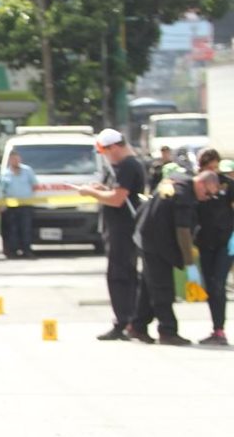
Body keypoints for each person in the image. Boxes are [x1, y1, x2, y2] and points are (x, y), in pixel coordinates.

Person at [128, 170, 222, 345]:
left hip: (147, 235)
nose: (207, 198)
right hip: (156, 243)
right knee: (163, 288)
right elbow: (182, 231)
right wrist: (189, 263)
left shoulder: (177, 179)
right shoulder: (184, 196)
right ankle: (167, 331)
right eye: (208, 193)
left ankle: (137, 326)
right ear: (201, 183)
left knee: (149, 286)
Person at [80, 128, 146, 341]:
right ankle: (128, 320)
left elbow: (118, 198)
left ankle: (125, 321)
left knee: (120, 276)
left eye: (106, 151)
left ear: (115, 147)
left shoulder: (127, 165)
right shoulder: (119, 167)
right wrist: (101, 189)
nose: (106, 156)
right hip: (117, 229)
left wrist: (92, 193)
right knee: (122, 275)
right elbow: (115, 192)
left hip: (123, 230)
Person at [195, 158, 234, 345]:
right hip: (205, 243)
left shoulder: (228, 185)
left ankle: (220, 330)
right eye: (208, 167)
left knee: (218, 283)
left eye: (215, 167)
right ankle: (216, 329)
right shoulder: (198, 186)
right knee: (210, 286)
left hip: (226, 244)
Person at [0, 151, 38, 258]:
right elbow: (2, 190)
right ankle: (13, 251)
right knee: (13, 229)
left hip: (26, 205)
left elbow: (34, 185)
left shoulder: (27, 170)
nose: (15, 161)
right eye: (13, 159)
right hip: (11, 206)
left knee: (26, 228)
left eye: (17, 159)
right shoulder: (5, 174)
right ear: (10, 160)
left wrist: (28, 196)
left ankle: (27, 250)